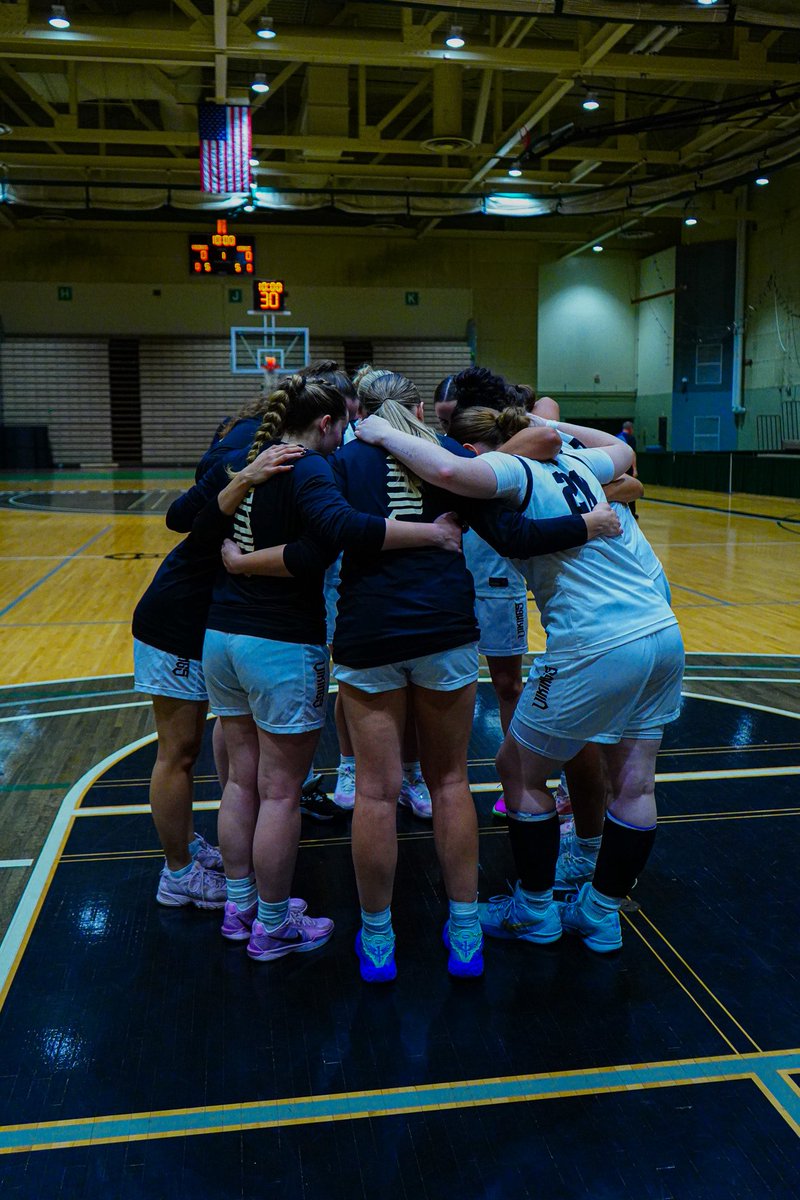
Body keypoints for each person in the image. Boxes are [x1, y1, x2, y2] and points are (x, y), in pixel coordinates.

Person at [355, 405, 684, 955]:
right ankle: (600, 913)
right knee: (636, 782)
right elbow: (625, 452)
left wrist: (384, 431)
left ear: (485, 448)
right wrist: (557, 427)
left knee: (516, 768)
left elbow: (450, 473)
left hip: (595, 639)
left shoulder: (514, 472)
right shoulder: (580, 463)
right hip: (661, 630)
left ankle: (534, 910)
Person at [194, 373, 465, 962]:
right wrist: (431, 533)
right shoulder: (313, 465)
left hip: (220, 637)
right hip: (279, 643)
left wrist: (235, 558)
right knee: (280, 792)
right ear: (325, 423)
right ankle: (271, 926)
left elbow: (185, 516)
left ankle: (238, 907)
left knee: (239, 782)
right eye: (341, 424)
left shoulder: (241, 455)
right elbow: (332, 539)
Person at [132, 442, 303, 909]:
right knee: (178, 753)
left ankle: (186, 847)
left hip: (204, 626)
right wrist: (242, 474)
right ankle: (177, 874)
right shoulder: (242, 466)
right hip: (176, 625)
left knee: (197, 745)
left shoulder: (261, 471)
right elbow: (182, 515)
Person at [616, 420, 639, 519]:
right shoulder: (630, 438)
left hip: (618, 468)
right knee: (631, 488)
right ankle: (632, 513)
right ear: (630, 429)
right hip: (627, 467)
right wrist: (634, 469)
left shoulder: (616, 437)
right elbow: (632, 453)